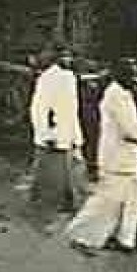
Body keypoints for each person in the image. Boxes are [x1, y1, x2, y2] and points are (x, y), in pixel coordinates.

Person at [67, 57, 137, 254]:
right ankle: (82, 234)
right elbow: (130, 129)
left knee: (133, 201)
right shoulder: (116, 96)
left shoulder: (124, 94)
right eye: (133, 74)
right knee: (106, 199)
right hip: (117, 157)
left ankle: (125, 239)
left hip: (127, 157)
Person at [28, 44, 88, 219]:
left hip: (69, 132)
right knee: (49, 171)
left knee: (75, 169)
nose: (68, 60)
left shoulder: (70, 78)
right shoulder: (48, 78)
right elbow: (39, 108)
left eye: (70, 56)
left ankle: (72, 203)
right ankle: (43, 203)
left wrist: (75, 134)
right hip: (53, 134)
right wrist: (46, 132)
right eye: (64, 56)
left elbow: (71, 109)